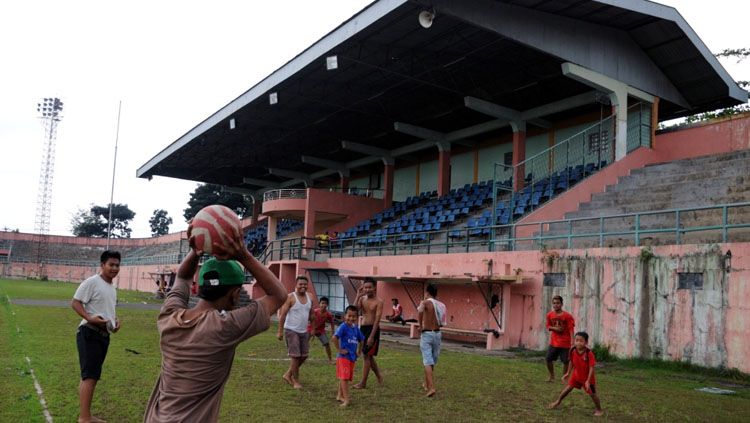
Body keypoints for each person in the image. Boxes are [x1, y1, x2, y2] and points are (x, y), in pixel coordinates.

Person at [143, 225, 287, 423]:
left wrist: (195, 251)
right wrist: (243, 255)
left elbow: (183, 276)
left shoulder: (169, 317)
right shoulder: (224, 327)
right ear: (236, 294)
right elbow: (279, 296)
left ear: (199, 288)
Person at [71, 250, 122, 423]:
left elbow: (107, 312)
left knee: (90, 375)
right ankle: (85, 418)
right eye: (111, 264)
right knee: (90, 375)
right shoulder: (92, 282)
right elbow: (75, 302)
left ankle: (85, 415)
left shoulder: (112, 289)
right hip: (89, 332)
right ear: (102, 265)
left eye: (117, 265)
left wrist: (114, 324)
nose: (114, 268)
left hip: (103, 334)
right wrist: (89, 317)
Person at [549, 331, 604, 416]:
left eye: (581, 341)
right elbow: (571, 361)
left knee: (593, 394)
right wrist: (568, 373)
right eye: (576, 340)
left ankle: (599, 410)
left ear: (586, 342)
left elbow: (591, 367)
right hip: (576, 376)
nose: (578, 342)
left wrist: (588, 381)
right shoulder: (572, 350)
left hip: (588, 379)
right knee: (567, 389)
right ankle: (557, 402)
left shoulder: (589, 353)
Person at [277, 275, 314, 389]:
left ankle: (288, 374)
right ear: (296, 285)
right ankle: (295, 381)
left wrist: (312, 328)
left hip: (304, 331)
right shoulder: (290, 297)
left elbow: (311, 314)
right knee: (295, 356)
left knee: (304, 355)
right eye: (300, 284)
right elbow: (283, 315)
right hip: (291, 330)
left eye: (305, 284)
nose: (303, 286)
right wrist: (280, 331)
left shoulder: (310, 297)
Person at [353, 278, 384, 389]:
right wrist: (357, 295)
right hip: (363, 329)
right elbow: (354, 310)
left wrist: (371, 336)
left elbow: (377, 320)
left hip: (373, 330)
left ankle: (363, 383)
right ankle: (379, 375)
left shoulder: (379, 302)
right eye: (365, 287)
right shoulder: (362, 299)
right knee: (368, 356)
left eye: (369, 287)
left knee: (366, 356)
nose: (367, 289)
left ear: (374, 288)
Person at [331, 305, 364, 407]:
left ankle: (339, 395)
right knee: (344, 378)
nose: (351, 318)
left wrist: (359, 351)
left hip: (352, 357)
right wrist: (339, 349)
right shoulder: (343, 327)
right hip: (343, 357)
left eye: (354, 316)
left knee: (345, 377)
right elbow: (334, 338)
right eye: (349, 316)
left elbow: (362, 339)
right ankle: (346, 400)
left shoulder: (356, 329)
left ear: (357, 317)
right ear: (345, 316)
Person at [417, 284, 446, 398]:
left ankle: (431, 387)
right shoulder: (441, 304)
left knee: (427, 361)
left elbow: (420, 311)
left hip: (427, 333)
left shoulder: (425, 302)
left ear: (427, 292)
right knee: (432, 360)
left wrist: (420, 325)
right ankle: (426, 383)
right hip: (438, 334)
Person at [545, 295, 575, 382]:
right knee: (548, 359)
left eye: (558, 303)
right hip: (554, 342)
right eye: (554, 303)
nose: (555, 305)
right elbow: (548, 326)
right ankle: (552, 376)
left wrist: (572, 342)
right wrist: (555, 328)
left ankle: (564, 377)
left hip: (565, 343)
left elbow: (571, 329)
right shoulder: (549, 315)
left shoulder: (567, 316)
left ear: (561, 304)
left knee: (566, 361)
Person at [308, 296, 336, 364]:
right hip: (311, 329)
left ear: (327, 305)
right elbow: (309, 320)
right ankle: (300, 357)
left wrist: (333, 333)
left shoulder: (328, 314)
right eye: (322, 303)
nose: (324, 305)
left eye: (325, 303)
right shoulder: (315, 312)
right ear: (319, 304)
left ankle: (330, 360)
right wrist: (312, 330)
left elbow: (332, 323)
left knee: (327, 344)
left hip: (320, 331)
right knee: (304, 343)